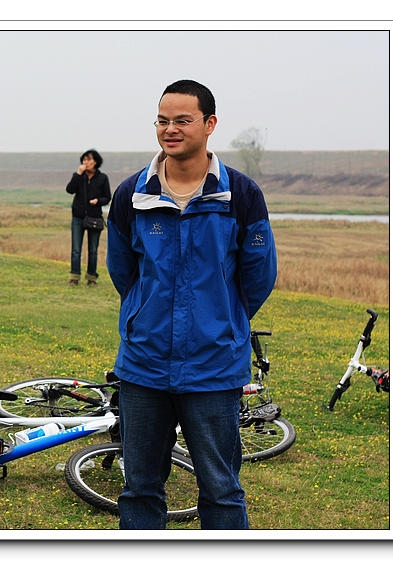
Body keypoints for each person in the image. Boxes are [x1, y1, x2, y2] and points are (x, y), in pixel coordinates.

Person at [106, 80, 277, 529]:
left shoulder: (240, 194)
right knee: (140, 489)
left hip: (214, 367)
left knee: (221, 490)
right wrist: (148, 314)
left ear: (209, 124)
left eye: (183, 120)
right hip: (143, 366)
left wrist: (222, 320)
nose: (170, 129)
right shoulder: (131, 195)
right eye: (163, 120)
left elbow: (258, 277)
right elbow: (123, 274)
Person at [65, 149, 111, 286]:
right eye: (84, 160)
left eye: (89, 160)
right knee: (76, 250)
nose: (86, 162)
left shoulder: (102, 178)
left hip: (94, 218)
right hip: (78, 218)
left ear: (96, 162)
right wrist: (78, 174)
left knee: (93, 250)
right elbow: (70, 190)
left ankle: (91, 278)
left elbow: (107, 197)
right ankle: (74, 278)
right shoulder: (79, 177)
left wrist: (98, 201)